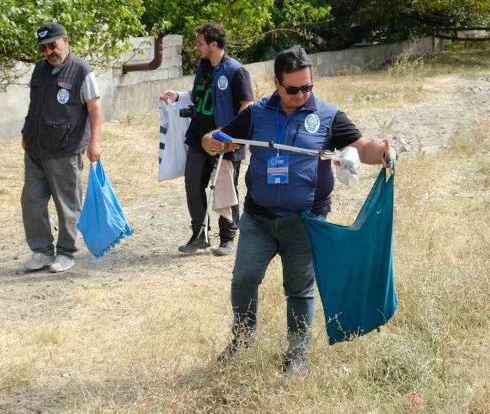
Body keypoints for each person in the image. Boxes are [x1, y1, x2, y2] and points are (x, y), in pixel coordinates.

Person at [202, 45, 396, 378]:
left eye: (308, 87)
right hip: (259, 220)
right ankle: (242, 339)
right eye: (294, 89)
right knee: (244, 278)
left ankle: (296, 355)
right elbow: (215, 138)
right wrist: (213, 141)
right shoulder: (257, 113)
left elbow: (362, 147)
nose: (302, 94)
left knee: (299, 289)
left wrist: (383, 152)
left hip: (304, 222)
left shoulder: (327, 116)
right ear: (277, 83)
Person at [160, 23, 254, 256]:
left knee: (226, 187)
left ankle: (227, 238)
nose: (197, 46)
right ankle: (199, 234)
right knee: (193, 184)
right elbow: (200, 94)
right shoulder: (204, 66)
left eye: (200, 42)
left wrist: (232, 135)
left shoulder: (235, 70)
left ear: (213, 44)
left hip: (225, 140)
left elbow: (247, 105)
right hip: (198, 137)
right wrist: (180, 95)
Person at [20, 22, 102, 273]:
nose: (48, 52)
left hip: (66, 148)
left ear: (65, 41)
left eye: (52, 45)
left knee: (67, 203)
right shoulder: (40, 69)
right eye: (43, 48)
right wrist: (26, 132)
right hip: (36, 148)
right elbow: (35, 105)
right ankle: (42, 251)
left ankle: (66, 252)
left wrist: (94, 141)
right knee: (31, 201)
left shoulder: (81, 70)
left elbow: (94, 109)